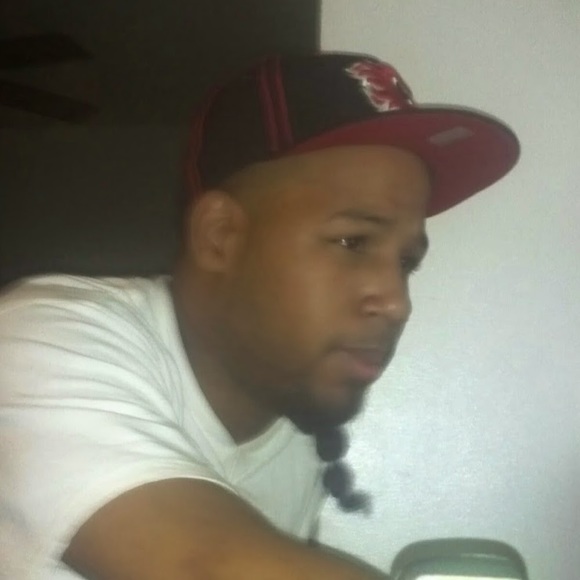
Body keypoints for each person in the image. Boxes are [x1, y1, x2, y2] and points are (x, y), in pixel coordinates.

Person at [0, 52, 519, 580]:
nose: (396, 302)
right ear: (220, 235)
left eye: (406, 263)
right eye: (353, 242)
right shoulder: (38, 339)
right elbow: (202, 566)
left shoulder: (294, 451)